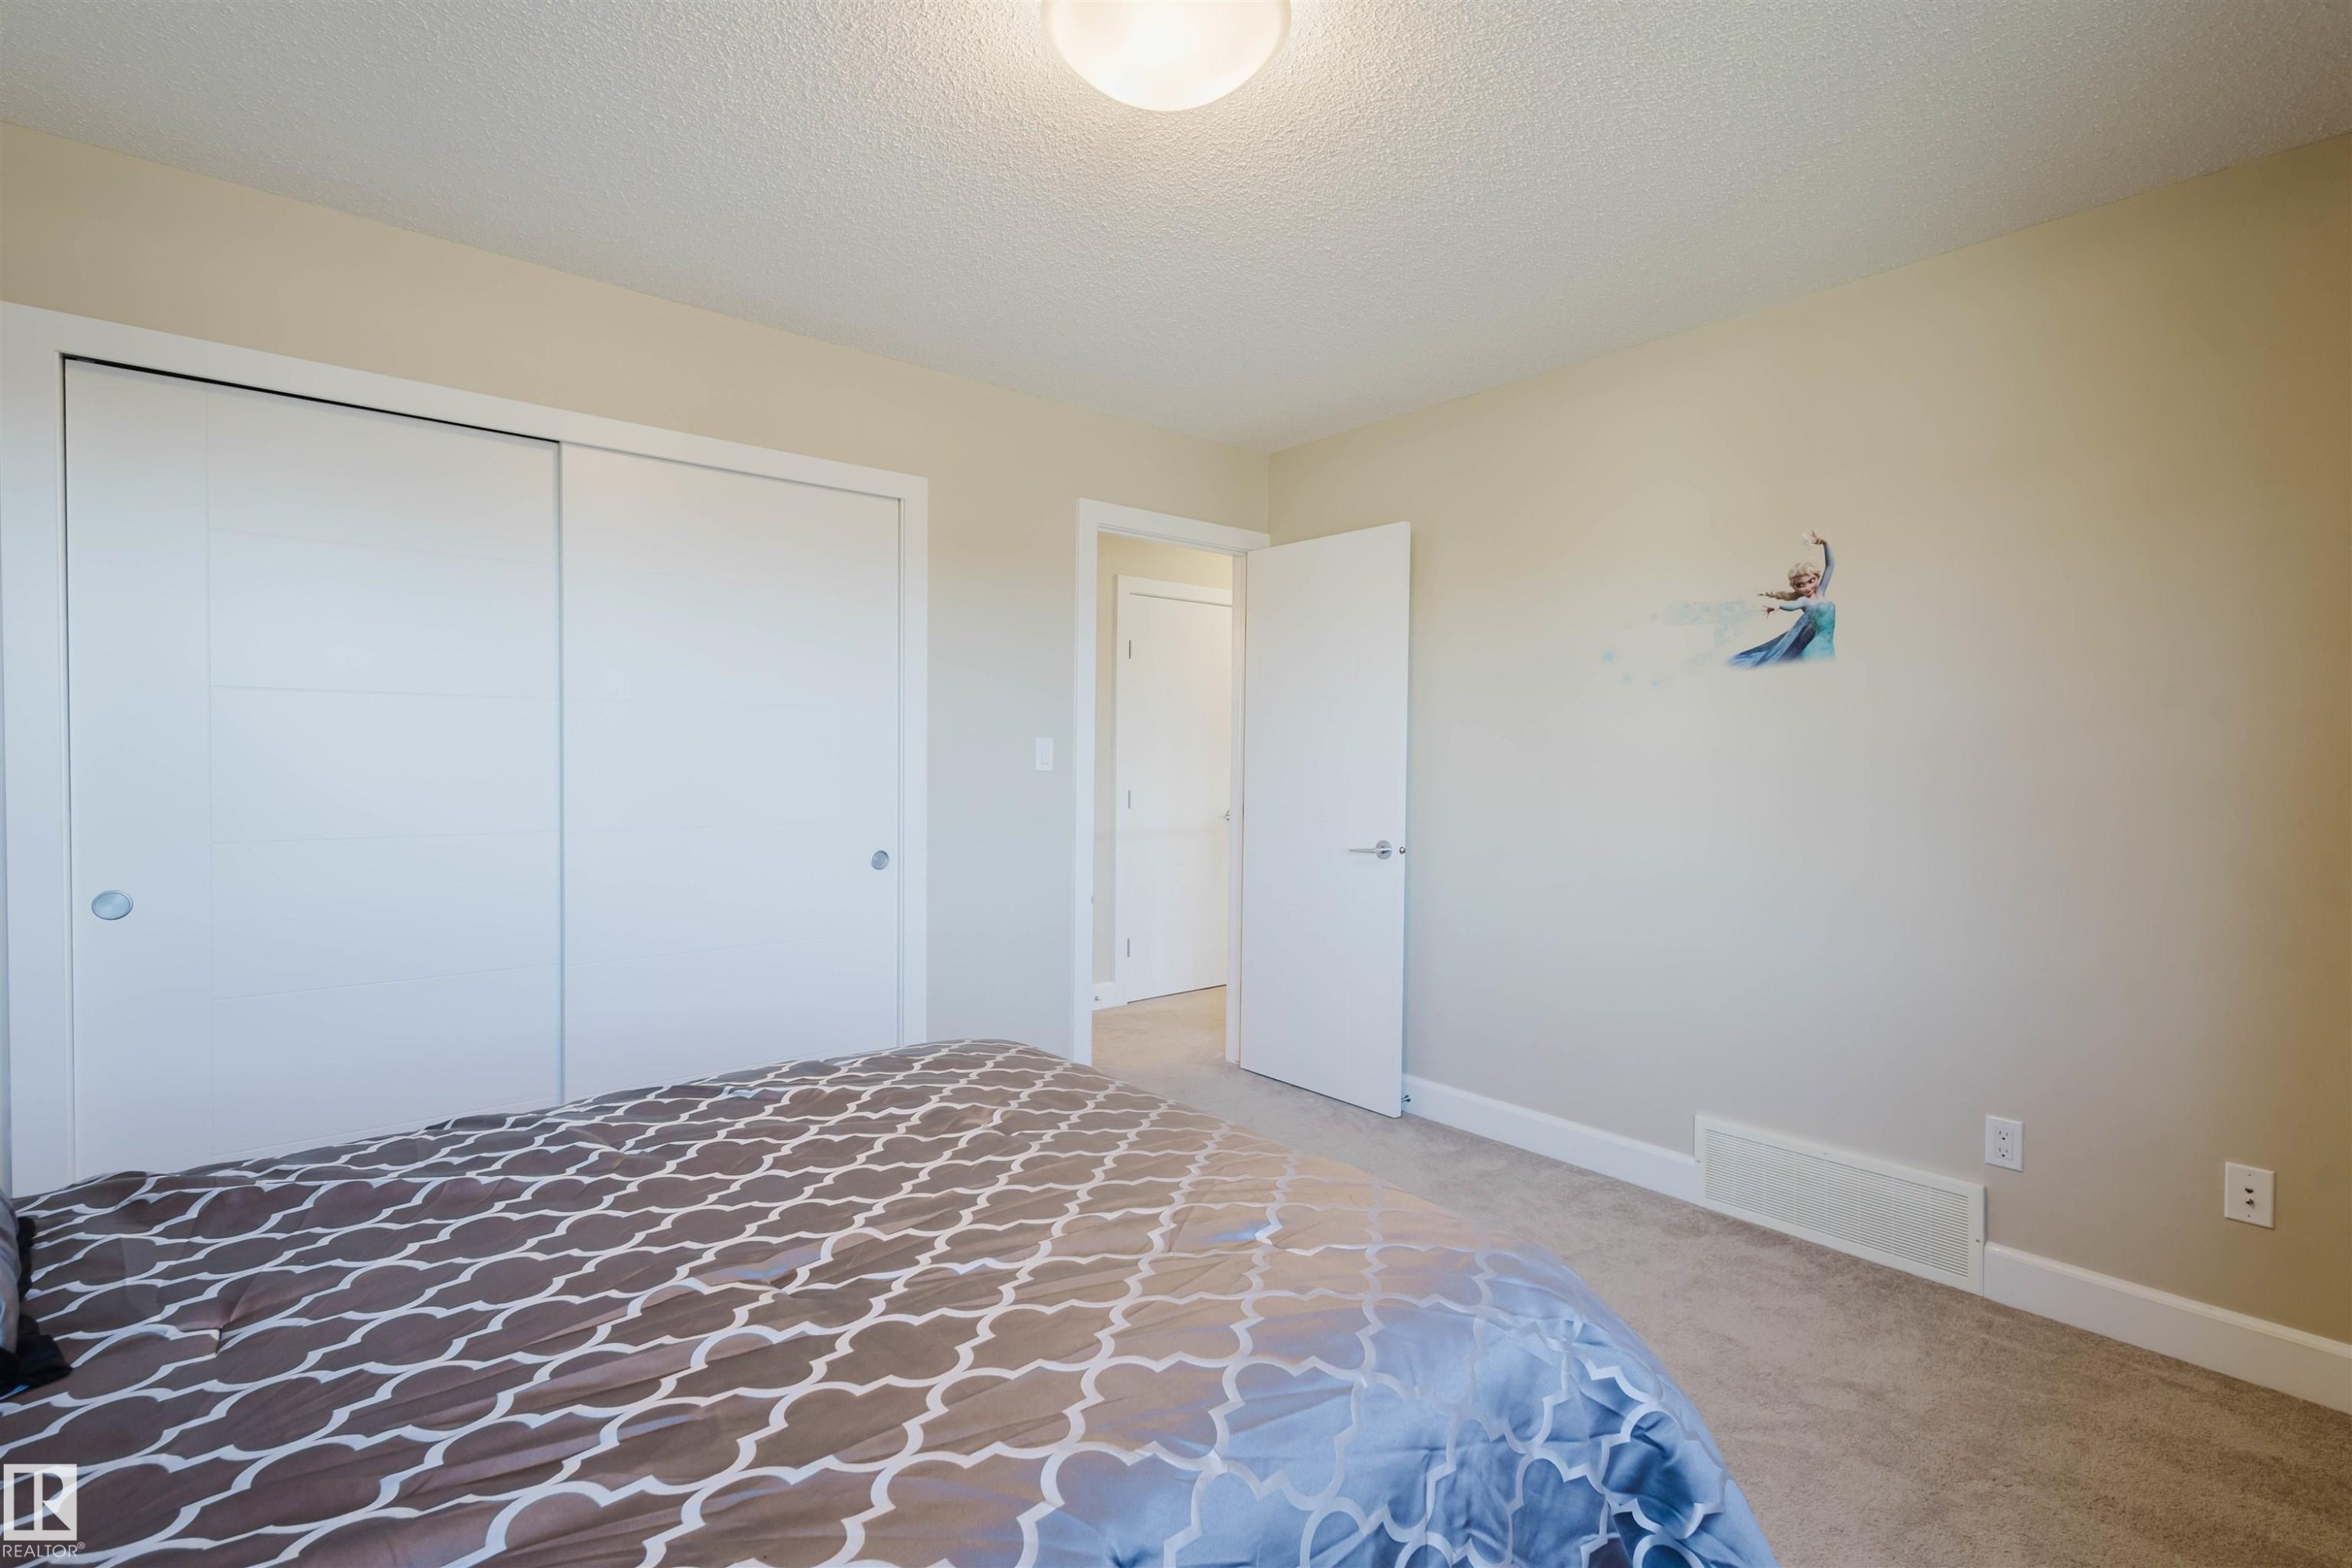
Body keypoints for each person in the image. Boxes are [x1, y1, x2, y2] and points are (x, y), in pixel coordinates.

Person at [1730, 531, 1835, 666]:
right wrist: (1779, 606)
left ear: (1817, 578)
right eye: (1800, 585)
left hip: (1828, 644)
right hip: (1816, 647)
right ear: (1795, 587)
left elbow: (1830, 566)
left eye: (1811, 581)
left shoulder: (1821, 591)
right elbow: (1792, 606)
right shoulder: (1804, 601)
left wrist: (1825, 544)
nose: (1807, 587)